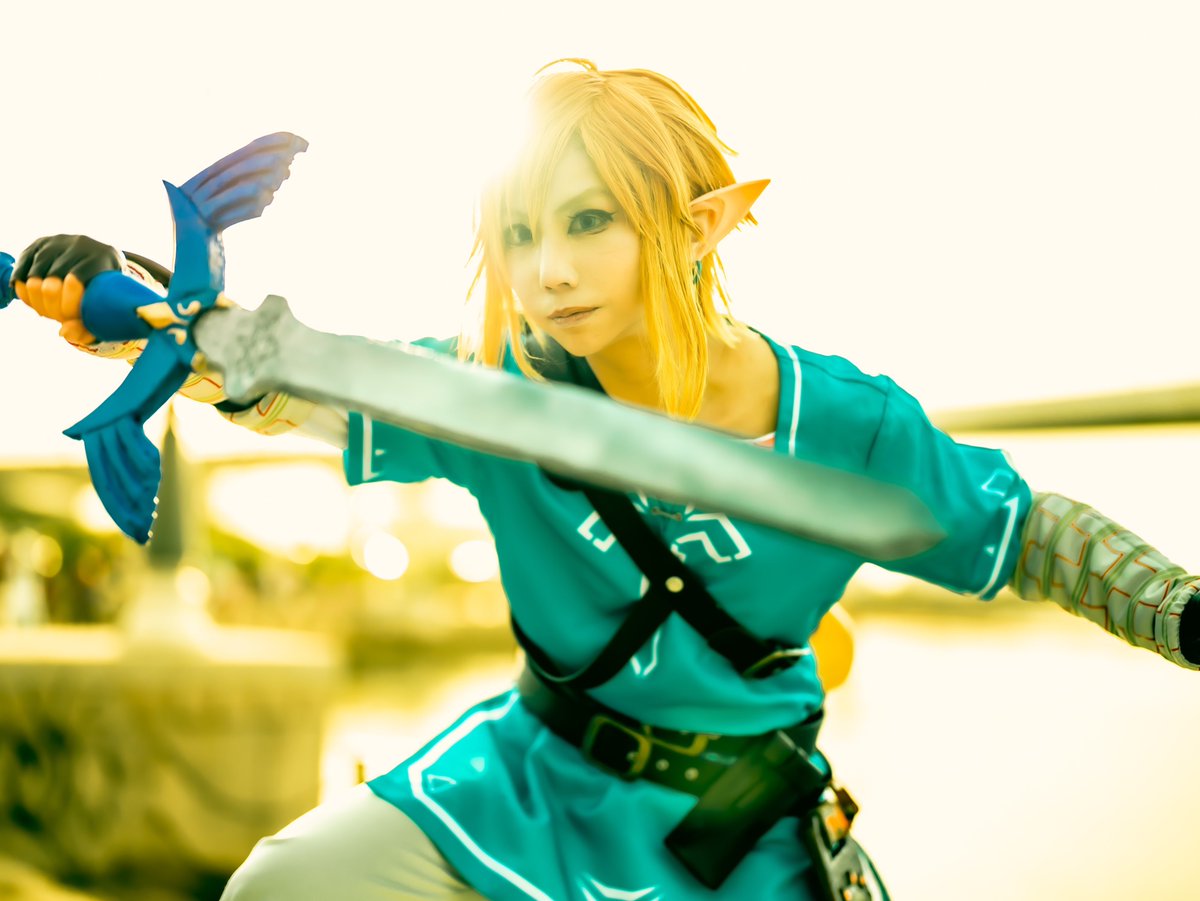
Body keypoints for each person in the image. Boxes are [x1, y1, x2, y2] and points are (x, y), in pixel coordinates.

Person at [11, 59, 1200, 901]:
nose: (549, 273)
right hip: (525, 775)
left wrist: (1181, 613)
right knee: (285, 886)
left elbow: (1027, 536)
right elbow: (300, 387)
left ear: (701, 224)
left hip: (740, 833)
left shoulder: (847, 422)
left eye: (589, 223)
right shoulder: (491, 392)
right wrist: (147, 311)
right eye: (521, 234)